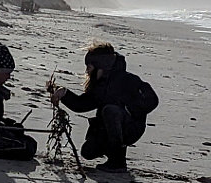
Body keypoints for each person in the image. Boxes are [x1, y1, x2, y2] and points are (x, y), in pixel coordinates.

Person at [53, 41, 158, 171]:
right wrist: (64, 93)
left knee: (111, 111)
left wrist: (130, 110)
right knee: (88, 151)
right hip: (106, 128)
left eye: (89, 66)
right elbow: (82, 105)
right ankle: (113, 151)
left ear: (101, 65)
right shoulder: (101, 86)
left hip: (132, 128)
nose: (87, 70)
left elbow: (152, 100)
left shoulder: (129, 79)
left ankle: (118, 161)